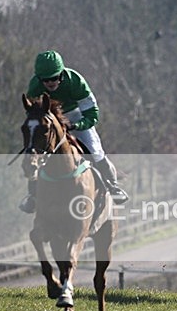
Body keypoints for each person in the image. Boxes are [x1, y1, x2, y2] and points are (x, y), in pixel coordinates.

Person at [19, 50, 128, 213]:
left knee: (94, 149)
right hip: (50, 120)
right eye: (45, 80)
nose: (50, 83)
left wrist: (78, 125)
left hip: (77, 115)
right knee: (36, 154)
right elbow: (33, 114)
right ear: (39, 78)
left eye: (54, 78)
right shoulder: (35, 86)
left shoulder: (75, 81)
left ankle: (113, 186)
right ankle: (32, 196)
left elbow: (92, 113)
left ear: (61, 74)